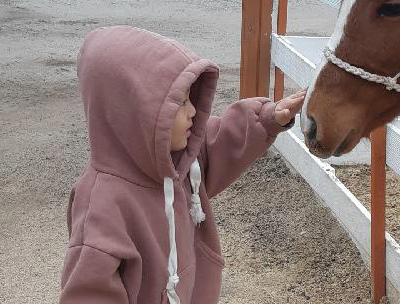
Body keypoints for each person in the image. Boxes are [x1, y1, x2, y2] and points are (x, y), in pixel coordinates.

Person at [60, 25, 305, 304]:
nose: (193, 111)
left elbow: (218, 143)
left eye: (192, 98)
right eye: (180, 102)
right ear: (136, 112)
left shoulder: (179, 163)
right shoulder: (103, 208)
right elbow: (89, 293)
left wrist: (267, 119)